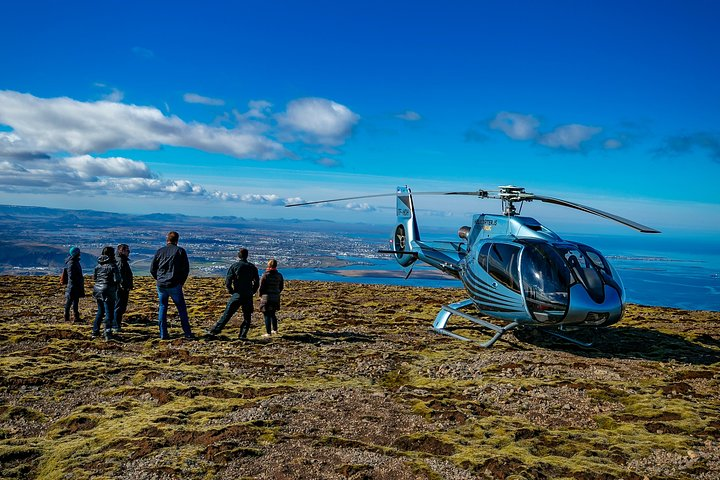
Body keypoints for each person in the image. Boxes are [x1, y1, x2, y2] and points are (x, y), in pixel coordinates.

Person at [150, 231, 194, 340]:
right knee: (181, 309)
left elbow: (152, 269)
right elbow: (185, 269)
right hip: (174, 284)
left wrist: (159, 278)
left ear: (167, 239)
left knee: (162, 307)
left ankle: (163, 334)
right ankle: (187, 333)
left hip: (161, 284)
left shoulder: (160, 251)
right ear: (177, 240)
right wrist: (181, 282)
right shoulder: (180, 251)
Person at [207, 248, 259, 339]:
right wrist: (252, 291)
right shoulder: (252, 267)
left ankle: (215, 331)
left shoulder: (235, 266)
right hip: (248, 295)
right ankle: (243, 335)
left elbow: (228, 280)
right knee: (247, 316)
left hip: (237, 294)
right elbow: (257, 282)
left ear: (239, 256)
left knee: (227, 313)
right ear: (247, 256)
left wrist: (231, 291)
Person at [92, 246, 121, 340]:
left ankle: (95, 331)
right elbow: (117, 279)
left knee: (100, 311)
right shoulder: (113, 265)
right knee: (109, 312)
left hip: (97, 290)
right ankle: (107, 331)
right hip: (108, 290)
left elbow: (95, 278)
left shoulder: (98, 265)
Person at [258, 258, 284, 337]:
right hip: (276, 297)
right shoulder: (279, 275)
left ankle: (268, 333)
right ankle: (275, 330)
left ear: (268, 265)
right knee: (273, 313)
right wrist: (277, 293)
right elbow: (281, 287)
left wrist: (260, 295)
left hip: (266, 297)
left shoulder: (265, 275)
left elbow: (261, 287)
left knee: (266, 315)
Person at [114, 243, 133, 332]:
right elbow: (121, 275)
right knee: (119, 306)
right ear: (121, 251)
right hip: (121, 288)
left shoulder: (121, 260)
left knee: (119, 306)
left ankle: (116, 324)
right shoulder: (121, 261)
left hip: (121, 287)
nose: (128, 252)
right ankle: (116, 325)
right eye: (127, 250)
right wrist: (123, 286)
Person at [63, 246, 85, 323]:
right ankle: (67, 317)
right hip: (73, 286)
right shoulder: (72, 263)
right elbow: (72, 276)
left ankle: (75, 317)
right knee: (70, 302)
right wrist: (78, 280)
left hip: (74, 286)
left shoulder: (74, 262)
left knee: (74, 302)